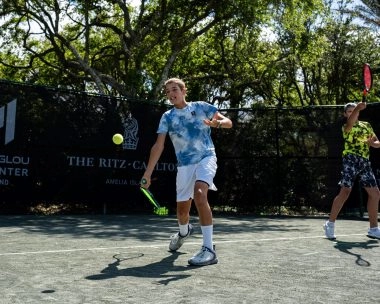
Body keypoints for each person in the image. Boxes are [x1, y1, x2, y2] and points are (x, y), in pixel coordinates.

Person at [140, 77, 232, 266]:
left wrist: (218, 124)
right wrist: (147, 174)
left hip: (206, 157)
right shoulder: (167, 117)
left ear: (183, 91)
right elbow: (158, 146)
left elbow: (228, 122)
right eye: (167, 92)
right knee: (182, 213)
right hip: (184, 165)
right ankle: (184, 232)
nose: (171, 94)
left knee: (200, 194)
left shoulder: (201, 107)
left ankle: (209, 249)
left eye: (174, 89)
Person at [324, 101, 380, 240]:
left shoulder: (366, 125)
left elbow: (378, 143)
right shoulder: (346, 126)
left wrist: (372, 143)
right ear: (345, 114)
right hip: (350, 159)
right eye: (349, 111)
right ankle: (329, 224)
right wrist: (357, 108)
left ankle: (374, 229)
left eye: (354, 110)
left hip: (365, 162)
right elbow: (350, 123)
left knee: (375, 194)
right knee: (345, 192)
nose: (352, 112)